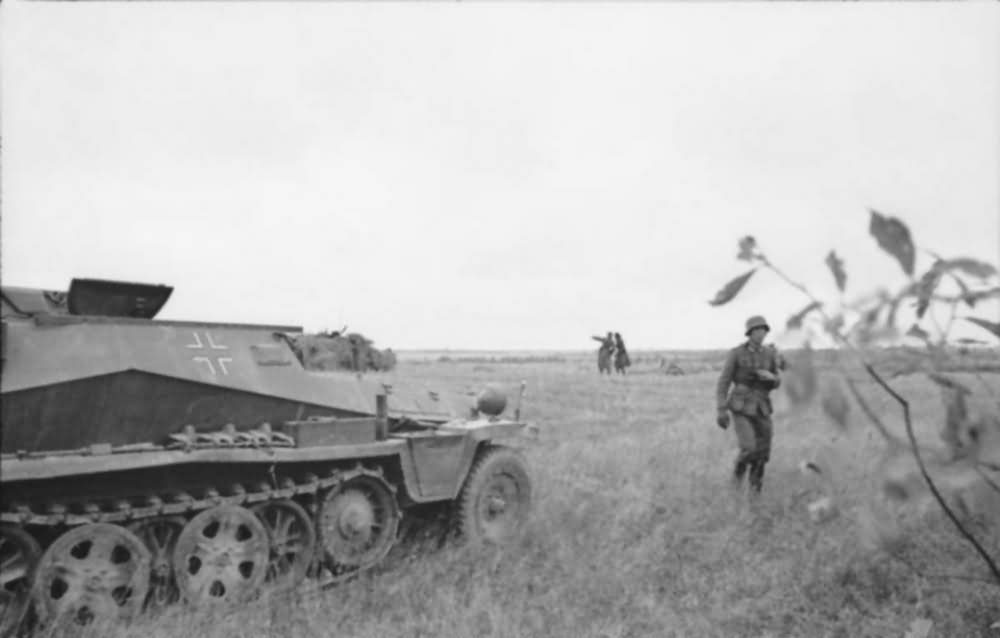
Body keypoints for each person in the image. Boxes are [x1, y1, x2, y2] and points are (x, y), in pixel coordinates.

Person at [715, 315, 782, 493]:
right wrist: (721, 409)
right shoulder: (736, 353)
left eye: (764, 330)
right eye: (758, 330)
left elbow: (777, 381)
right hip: (741, 406)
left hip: (763, 408)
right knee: (749, 448)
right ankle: (736, 481)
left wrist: (772, 378)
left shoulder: (770, 353)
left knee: (763, 452)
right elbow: (724, 382)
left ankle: (755, 492)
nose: (762, 334)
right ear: (750, 333)